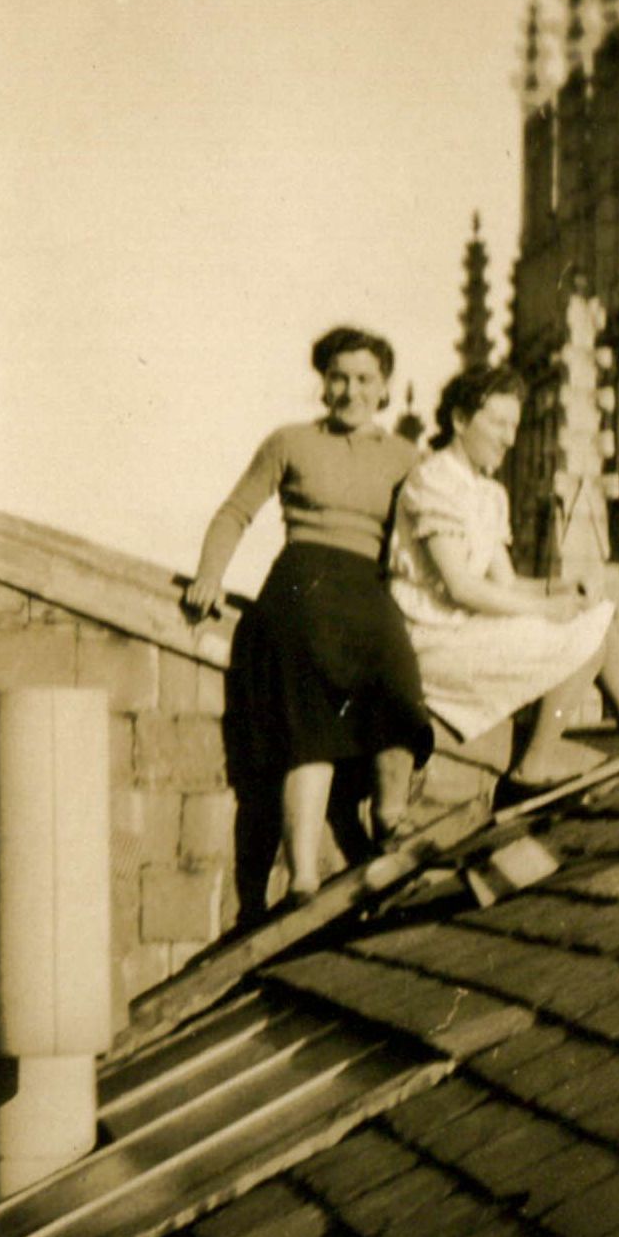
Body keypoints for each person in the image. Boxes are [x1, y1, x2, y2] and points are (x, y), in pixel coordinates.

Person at [183, 326, 435, 913]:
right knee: (308, 724)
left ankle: (390, 819)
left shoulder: (406, 459)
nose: (350, 390)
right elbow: (234, 512)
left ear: (384, 388)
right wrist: (209, 575)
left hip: (367, 592)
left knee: (399, 693)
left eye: (364, 379)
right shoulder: (290, 442)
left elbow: (430, 544)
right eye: (338, 377)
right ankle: (300, 881)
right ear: (324, 383)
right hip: (300, 588)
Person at [389, 363, 619, 785]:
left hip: (470, 629)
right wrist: (551, 609)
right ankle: (534, 766)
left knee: (597, 613)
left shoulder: (489, 493)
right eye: (498, 424)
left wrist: (563, 587)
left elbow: (506, 582)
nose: (509, 439)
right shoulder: (433, 480)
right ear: (460, 420)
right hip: (435, 641)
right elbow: (460, 587)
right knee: (581, 633)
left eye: (514, 426)